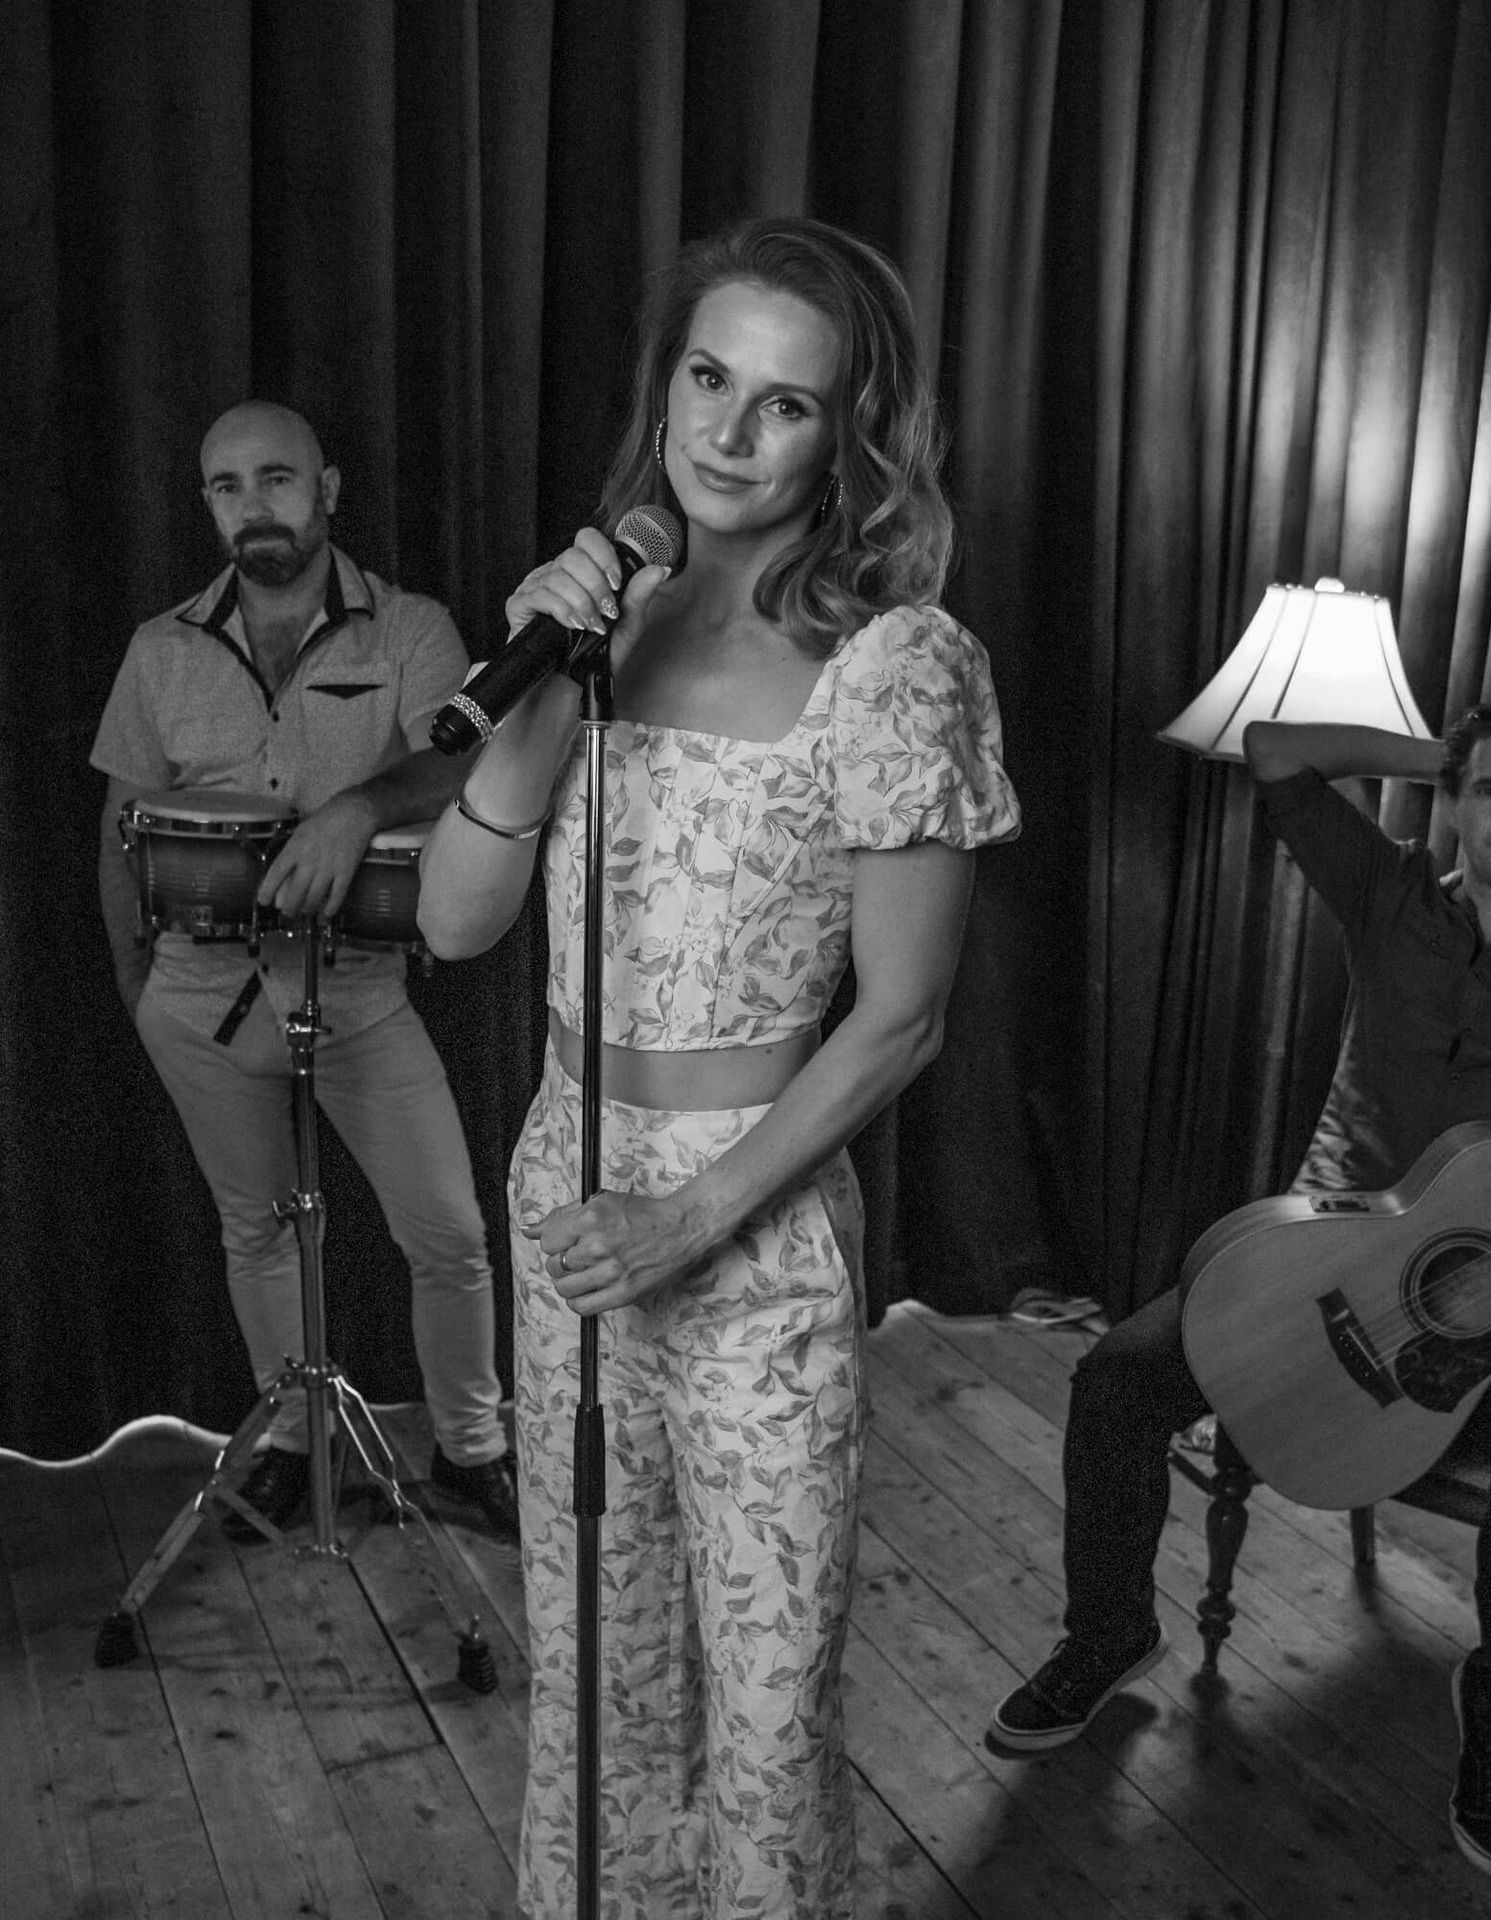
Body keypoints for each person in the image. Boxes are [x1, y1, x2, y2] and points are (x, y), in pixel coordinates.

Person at [416, 215, 1020, 1919]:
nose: (730, 431)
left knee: (760, 1713)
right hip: (565, 1204)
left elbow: (902, 1016)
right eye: (707, 376)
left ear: (855, 434)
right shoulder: (596, 622)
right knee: (594, 1677)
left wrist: (696, 1224)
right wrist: (540, 683)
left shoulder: (893, 662)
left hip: (749, 1235)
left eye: (787, 403)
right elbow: (459, 925)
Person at [989, 688, 1491, 1879]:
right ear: (1452, 804)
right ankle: (1109, 1633)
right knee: (1118, 1379)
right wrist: (1463, 754)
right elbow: (1275, 751)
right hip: (1318, 1259)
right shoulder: (1385, 894)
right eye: (1488, 792)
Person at [92, 401, 518, 1543]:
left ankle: (474, 1451)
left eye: (275, 480)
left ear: (326, 489)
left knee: (448, 1233)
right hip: (194, 993)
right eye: (227, 488)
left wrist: (358, 810)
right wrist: (142, 992)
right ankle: (289, 1439)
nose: (253, 508)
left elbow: (465, 758)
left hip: (358, 986)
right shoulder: (160, 649)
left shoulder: (410, 627)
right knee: (257, 1230)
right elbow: (119, 831)